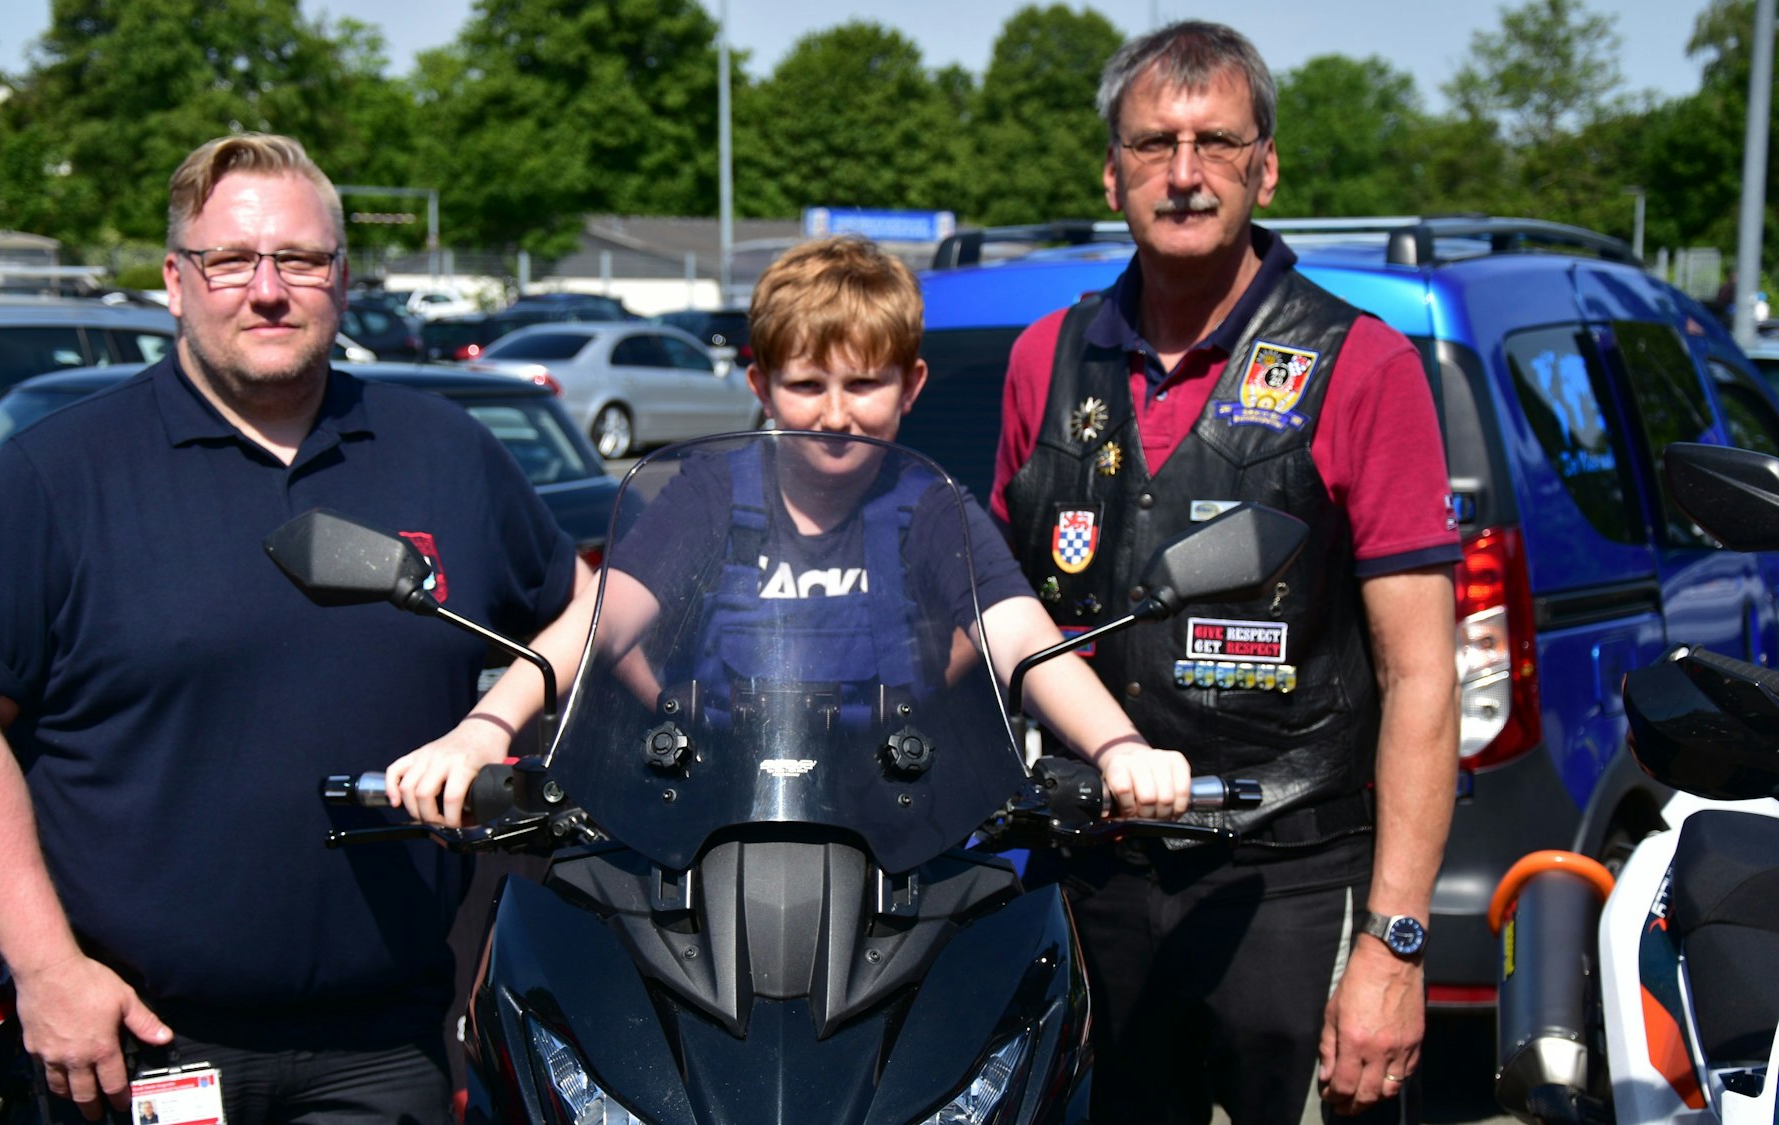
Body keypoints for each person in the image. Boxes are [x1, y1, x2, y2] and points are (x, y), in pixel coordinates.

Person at [0, 133, 593, 1124]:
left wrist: (491, 724)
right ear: (176, 282)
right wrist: (47, 971)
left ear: (342, 280)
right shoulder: (57, 475)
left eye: (299, 260)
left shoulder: (447, 453)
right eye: (231, 261)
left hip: (388, 1042)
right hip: (138, 1041)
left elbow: (595, 605)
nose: (267, 290)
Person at [988, 22, 1462, 1125]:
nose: (1185, 174)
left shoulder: (1364, 364)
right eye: (1154, 145)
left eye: (1216, 142)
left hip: (1289, 881)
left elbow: (1422, 680)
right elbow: (1001, 620)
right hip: (1088, 879)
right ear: (1110, 170)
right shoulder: (1042, 362)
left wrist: (1392, 947)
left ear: (1265, 164)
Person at [587, 234, 1191, 820]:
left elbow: (1024, 640)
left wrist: (1122, 748)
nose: (834, 415)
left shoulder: (930, 507)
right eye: (805, 385)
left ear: (911, 386)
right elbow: (598, 623)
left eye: (863, 383)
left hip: (894, 835)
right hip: (717, 824)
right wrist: (490, 729)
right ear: (761, 388)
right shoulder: (711, 492)